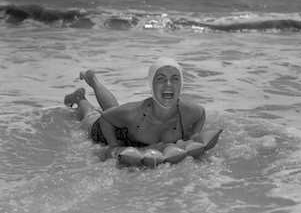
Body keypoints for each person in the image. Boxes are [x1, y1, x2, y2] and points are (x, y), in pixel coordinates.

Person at [64, 57, 206, 153]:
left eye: (175, 79)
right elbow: (106, 117)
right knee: (92, 116)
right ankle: (79, 98)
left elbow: (201, 114)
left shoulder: (189, 111)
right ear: (151, 84)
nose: (168, 84)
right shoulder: (136, 112)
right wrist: (113, 145)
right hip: (108, 129)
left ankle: (92, 80)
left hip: (127, 123)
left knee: (116, 110)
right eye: (161, 79)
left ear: (181, 84)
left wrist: (193, 135)